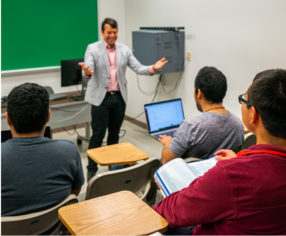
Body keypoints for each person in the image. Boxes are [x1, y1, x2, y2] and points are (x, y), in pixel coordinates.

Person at [154, 69, 286, 235]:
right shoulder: (239, 165)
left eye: (243, 99)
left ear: (253, 115)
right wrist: (239, 159)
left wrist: (235, 169)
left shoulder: (230, 176)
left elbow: (171, 211)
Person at [79, 17, 167, 179]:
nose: (112, 35)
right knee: (98, 135)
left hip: (118, 98)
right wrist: (87, 72)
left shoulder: (124, 50)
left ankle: (113, 166)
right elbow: (88, 67)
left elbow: (138, 67)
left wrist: (152, 68)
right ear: (102, 32)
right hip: (101, 99)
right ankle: (92, 168)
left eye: (115, 32)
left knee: (114, 134)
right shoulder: (92, 48)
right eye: (109, 32)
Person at [1, 83, 84, 216]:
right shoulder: (69, 151)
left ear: (8, 118)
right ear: (48, 116)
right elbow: (75, 191)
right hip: (57, 228)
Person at [159, 66, 244, 164]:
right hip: (221, 176)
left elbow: (166, 161)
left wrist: (168, 143)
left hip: (192, 178)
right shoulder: (238, 125)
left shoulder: (191, 126)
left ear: (199, 93)